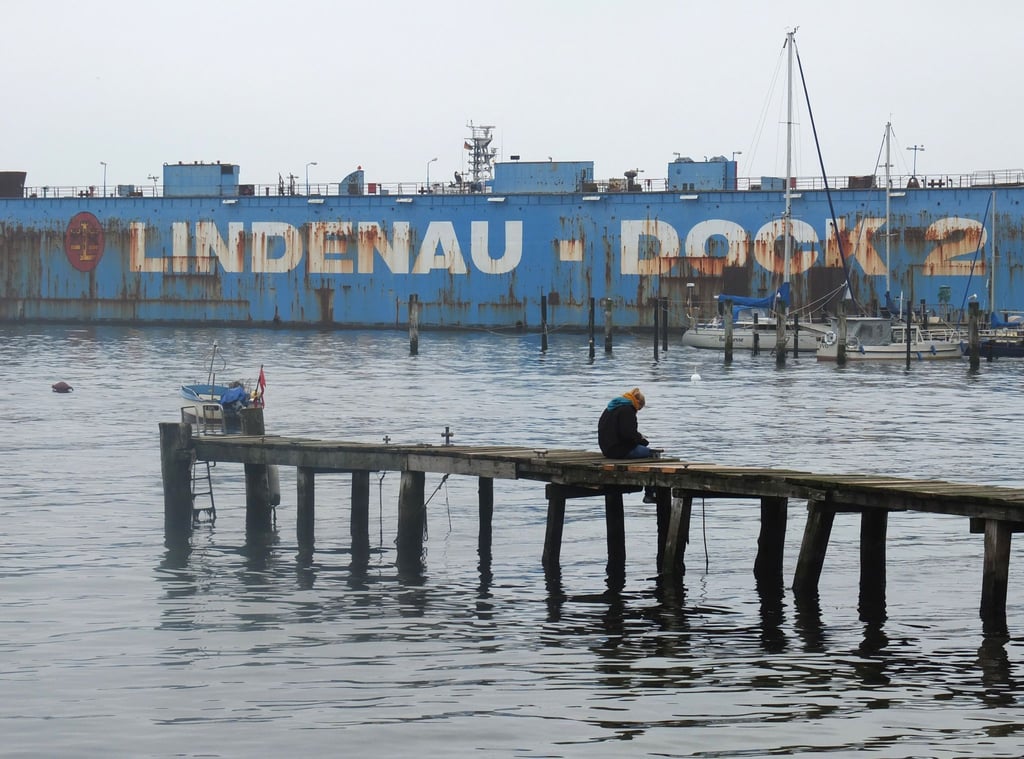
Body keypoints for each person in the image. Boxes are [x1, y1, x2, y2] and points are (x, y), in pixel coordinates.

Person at [598, 387, 658, 503]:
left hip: (607, 448)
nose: (637, 411)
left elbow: (620, 431)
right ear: (638, 403)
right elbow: (628, 435)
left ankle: (650, 492)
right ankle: (650, 493)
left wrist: (638, 437)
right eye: (639, 409)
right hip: (619, 450)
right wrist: (643, 441)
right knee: (651, 454)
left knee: (643, 450)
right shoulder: (628, 410)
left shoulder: (612, 407)